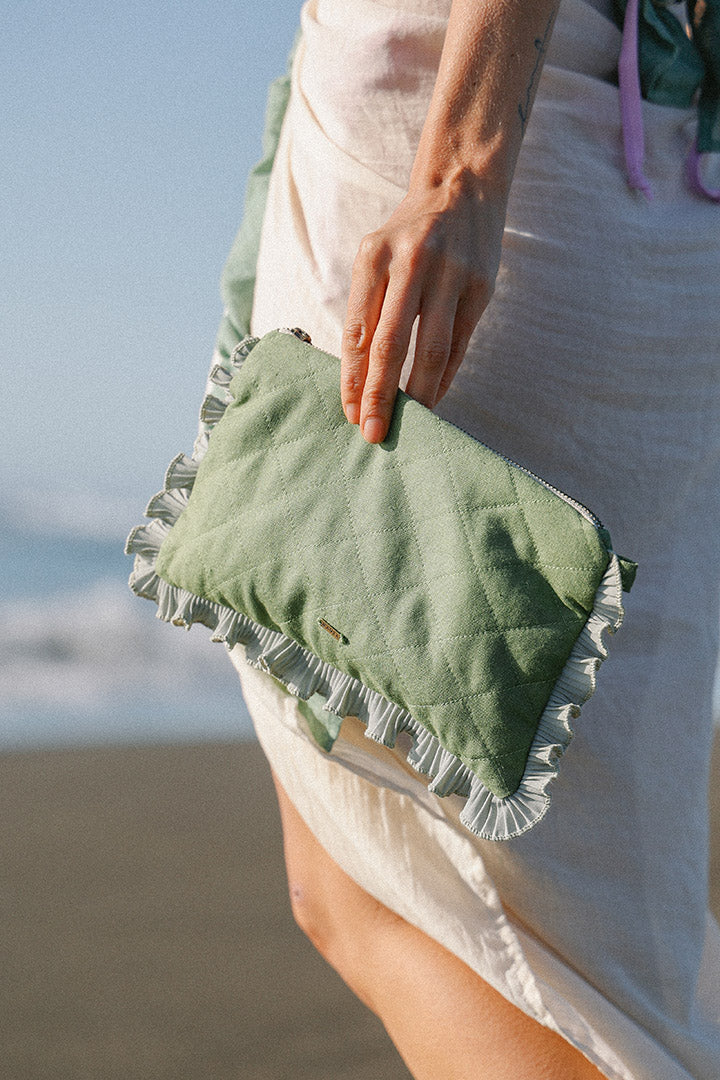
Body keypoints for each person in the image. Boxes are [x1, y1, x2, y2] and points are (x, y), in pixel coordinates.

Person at [214, 0, 720, 1076]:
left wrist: (462, 169)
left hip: (466, 123)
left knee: (544, 951)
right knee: (366, 892)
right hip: (650, 152)